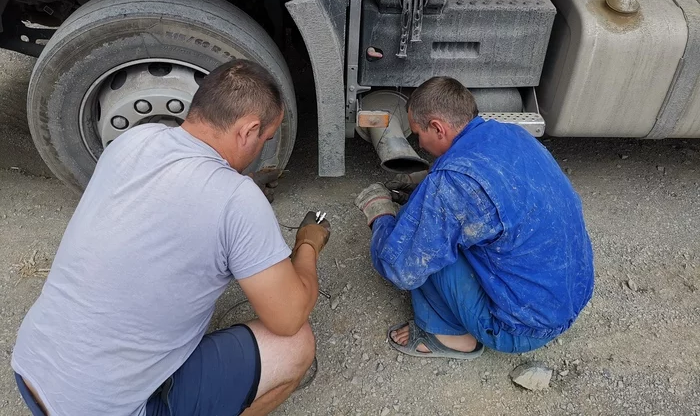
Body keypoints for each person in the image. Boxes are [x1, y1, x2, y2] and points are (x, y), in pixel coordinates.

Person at [12, 60, 330, 416]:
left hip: (31, 370)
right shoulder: (237, 199)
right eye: (266, 139)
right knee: (297, 345)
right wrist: (307, 244)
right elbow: (287, 317)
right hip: (102, 409)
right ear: (248, 130)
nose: (262, 151)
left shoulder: (133, 140)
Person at [355, 76, 594, 359]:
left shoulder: (454, 184)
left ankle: (451, 337)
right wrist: (430, 184)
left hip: (519, 330)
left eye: (419, 133)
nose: (418, 143)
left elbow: (401, 268)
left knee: (421, 236)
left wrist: (380, 214)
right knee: (434, 215)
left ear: (437, 127)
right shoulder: (511, 134)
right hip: (568, 300)